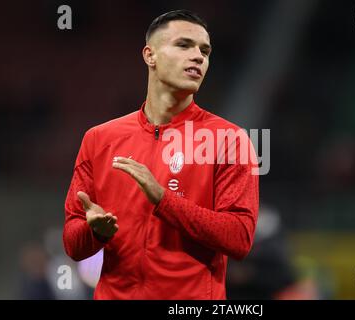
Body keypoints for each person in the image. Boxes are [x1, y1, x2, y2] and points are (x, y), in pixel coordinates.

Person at [63, 10, 259, 299]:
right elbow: (72, 244)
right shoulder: (99, 139)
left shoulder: (229, 140)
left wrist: (164, 200)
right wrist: (96, 233)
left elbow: (240, 237)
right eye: (184, 45)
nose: (198, 57)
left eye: (205, 51)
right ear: (150, 55)